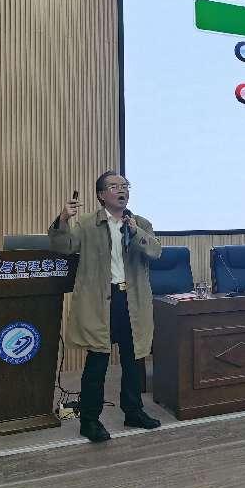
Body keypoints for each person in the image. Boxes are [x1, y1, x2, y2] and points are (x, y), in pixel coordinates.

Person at [49, 170, 162, 442]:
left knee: (133, 360)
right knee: (97, 362)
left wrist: (135, 231)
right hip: (101, 301)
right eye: (114, 186)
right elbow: (64, 246)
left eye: (125, 186)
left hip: (131, 301)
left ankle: (133, 412)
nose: (122, 190)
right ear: (101, 195)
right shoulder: (88, 224)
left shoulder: (140, 223)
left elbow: (155, 251)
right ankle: (89, 421)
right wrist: (63, 219)